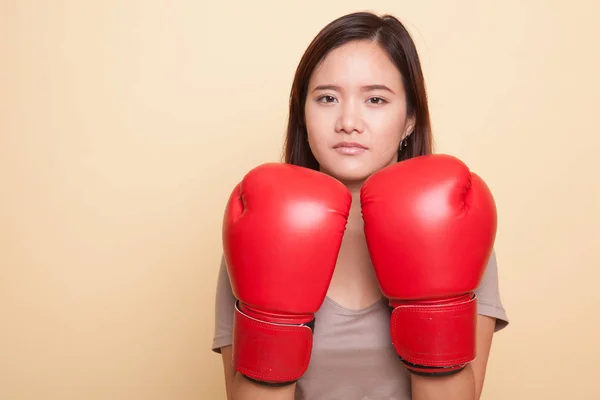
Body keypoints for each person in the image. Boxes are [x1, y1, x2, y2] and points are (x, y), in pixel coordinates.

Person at [212, 11, 509, 400]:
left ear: (409, 120)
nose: (348, 121)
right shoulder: (257, 230)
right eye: (328, 98)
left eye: (375, 99)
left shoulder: (454, 226)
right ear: (302, 114)